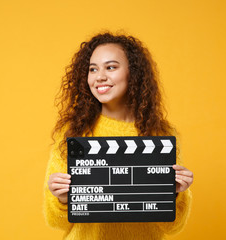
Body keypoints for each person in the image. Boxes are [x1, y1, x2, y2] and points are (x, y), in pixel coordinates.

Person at [44, 32, 194, 240]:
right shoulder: (73, 133)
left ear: (133, 73)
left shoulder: (161, 135)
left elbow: (172, 227)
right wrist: (61, 199)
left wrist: (175, 193)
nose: (100, 76)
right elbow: (55, 222)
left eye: (111, 67)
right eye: (92, 69)